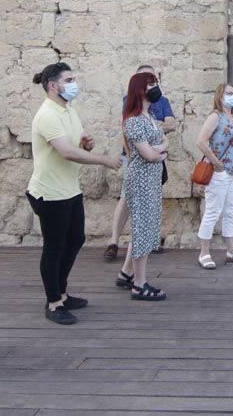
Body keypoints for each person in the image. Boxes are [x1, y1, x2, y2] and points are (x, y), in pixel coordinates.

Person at [28, 62, 123, 325]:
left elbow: (74, 143)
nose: (73, 84)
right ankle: (53, 302)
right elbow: (66, 151)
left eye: (73, 79)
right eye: (68, 80)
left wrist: (85, 142)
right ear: (53, 86)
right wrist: (103, 159)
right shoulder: (47, 114)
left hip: (69, 189)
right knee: (55, 247)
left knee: (75, 239)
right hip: (49, 193)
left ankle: (62, 291)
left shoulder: (67, 110)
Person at [105, 64, 176, 260]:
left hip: (153, 158)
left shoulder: (161, 102)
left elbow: (171, 125)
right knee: (127, 200)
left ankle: (146, 245)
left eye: (154, 80)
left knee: (150, 205)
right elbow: (133, 130)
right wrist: (158, 140)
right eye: (148, 81)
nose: (153, 85)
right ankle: (114, 241)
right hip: (135, 159)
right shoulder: (131, 104)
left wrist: (158, 137)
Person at [114, 72, 168, 301]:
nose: (155, 88)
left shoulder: (151, 117)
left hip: (153, 181)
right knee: (141, 231)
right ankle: (139, 284)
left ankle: (132, 276)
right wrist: (159, 151)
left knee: (148, 230)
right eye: (150, 84)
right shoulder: (134, 120)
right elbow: (148, 155)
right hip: (141, 181)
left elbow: (166, 141)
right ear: (139, 90)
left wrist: (159, 149)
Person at [195, 83, 233, 268]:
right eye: (228, 93)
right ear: (220, 96)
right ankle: (204, 253)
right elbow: (201, 141)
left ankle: (231, 250)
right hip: (220, 170)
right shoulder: (215, 116)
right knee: (213, 211)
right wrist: (216, 162)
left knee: (230, 211)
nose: (232, 96)